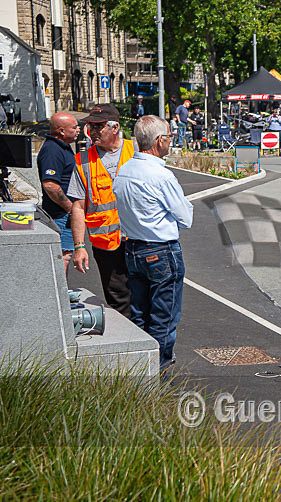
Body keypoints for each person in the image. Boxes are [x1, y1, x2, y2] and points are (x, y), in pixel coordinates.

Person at [113, 115, 193, 373]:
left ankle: (139, 367)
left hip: (133, 247)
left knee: (139, 313)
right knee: (164, 317)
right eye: (168, 137)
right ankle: (158, 371)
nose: (170, 141)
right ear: (159, 141)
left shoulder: (124, 171)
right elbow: (186, 217)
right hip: (161, 250)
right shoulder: (162, 175)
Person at [67, 104, 136, 317]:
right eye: (90, 127)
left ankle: (152, 346)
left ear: (114, 128)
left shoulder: (135, 150)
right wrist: (79, 246)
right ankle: (129, 345)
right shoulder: (82, 161)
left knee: (146, 295)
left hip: (138, 238)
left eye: (98, 127)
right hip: (105, 243)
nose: (93, 132)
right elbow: (78, 207)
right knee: (118, 299)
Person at [37, 113, 81, 276]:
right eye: (74, 127)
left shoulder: (62, 147)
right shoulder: (52, 150)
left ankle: (63, 294)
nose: (79, 130)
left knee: (66, 254)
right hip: (61, 214)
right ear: (61, 131)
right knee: (63, 255)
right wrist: (70, 208)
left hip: (65, 213)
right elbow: (50, 184)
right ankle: (61, 298)